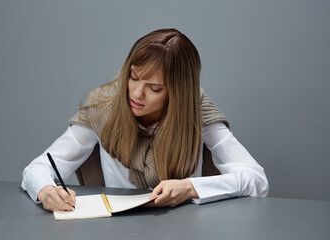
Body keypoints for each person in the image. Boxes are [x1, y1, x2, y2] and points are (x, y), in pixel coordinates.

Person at [21, 28, 269, 211]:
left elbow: (257, 180)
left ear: (178, 93)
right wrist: (45, 191)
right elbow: (37, 169)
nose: (136, 94)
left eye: (155, 88)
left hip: (186, 230)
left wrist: (189, 188)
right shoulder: (103, 108)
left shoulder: (196, 110)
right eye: (134, 77)